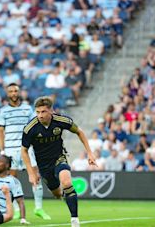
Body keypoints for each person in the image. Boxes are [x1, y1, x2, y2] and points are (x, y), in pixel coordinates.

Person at [21, 96, 97, 227]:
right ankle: (65, 196)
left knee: (67, 182)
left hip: (59, 158)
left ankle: (75, 220)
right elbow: (24, 150)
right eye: (37, 112)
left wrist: (90, 153)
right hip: (43, 165)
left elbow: (79, 132)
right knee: (57, 194)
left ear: (51, 111)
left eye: (43, 111)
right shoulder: (30, 128)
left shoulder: (61, 120)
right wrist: (31, 173)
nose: (40, 115)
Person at [0, 83, 50, 220]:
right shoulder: (3, 111)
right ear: (8, 94)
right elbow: (0, 132)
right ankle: (16, 210)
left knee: (35, 176)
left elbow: (34, 127)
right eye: (11, 91)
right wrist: (2, 151)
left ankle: (39, 208)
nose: (14, 93)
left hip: (26, 148)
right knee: (12, 180)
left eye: (15, 91)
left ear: (19, 92)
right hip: (10, 150)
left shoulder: (27, 109)